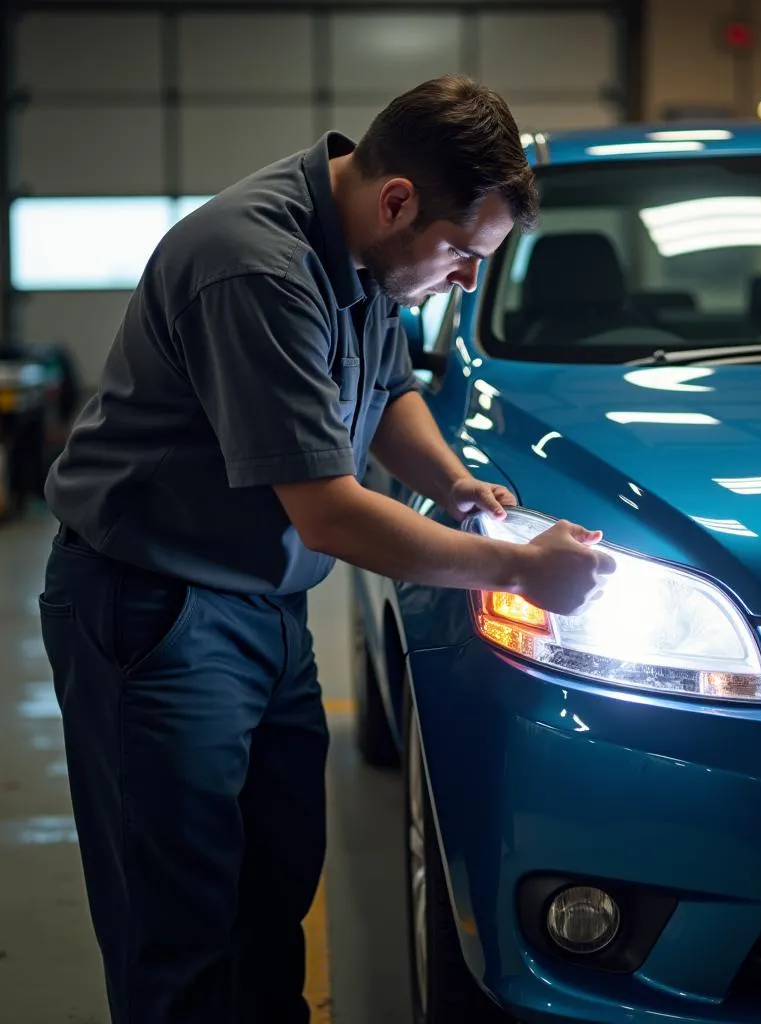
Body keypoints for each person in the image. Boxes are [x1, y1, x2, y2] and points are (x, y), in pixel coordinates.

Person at [37, 74, 614, 1024]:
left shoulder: (364, 253)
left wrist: (456, 486)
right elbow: (332, 516)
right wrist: (517, 568)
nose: (466, 279)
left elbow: (387, 391)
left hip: (262, 607)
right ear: (397, 200)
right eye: (463, 255)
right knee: (178, 925)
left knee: (271, 898)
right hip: (155, 611)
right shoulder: (255, 266)